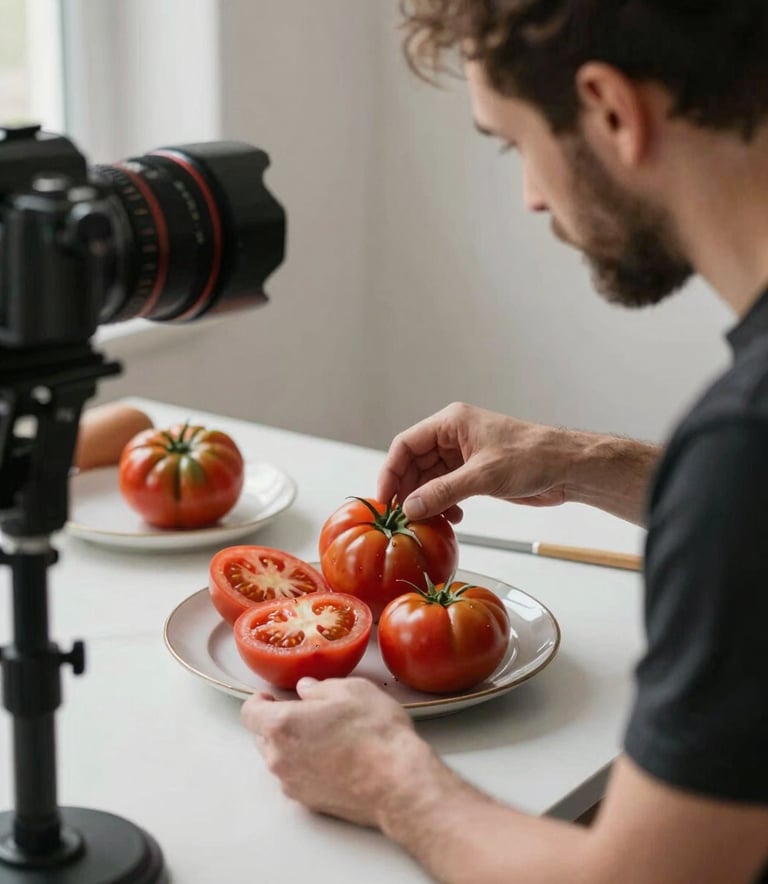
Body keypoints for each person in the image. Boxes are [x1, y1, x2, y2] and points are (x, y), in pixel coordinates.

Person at [241, 2, 768, 881]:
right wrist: (592, 463)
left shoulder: (740, 452)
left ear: (608, 109)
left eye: (513, 142)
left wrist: (390, 781)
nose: (529, 193)